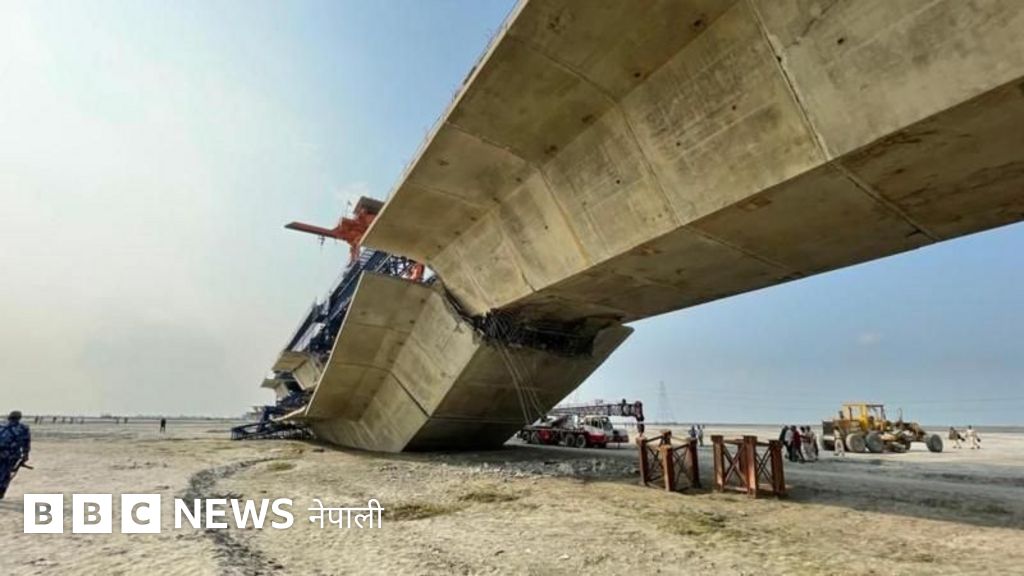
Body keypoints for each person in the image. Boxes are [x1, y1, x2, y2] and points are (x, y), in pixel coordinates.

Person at [0, 411, 32, 499]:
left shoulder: (1, 425)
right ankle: (1, 492)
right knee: (5, 474)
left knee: (4, 473)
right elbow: (26, 442)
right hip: (12, 455)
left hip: (6, 453)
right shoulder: (23, 428)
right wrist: (25, 455)